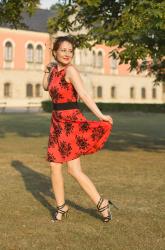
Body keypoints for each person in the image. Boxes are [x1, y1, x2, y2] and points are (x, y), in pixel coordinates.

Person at [42, 36, 118, 223]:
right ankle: (61, 207)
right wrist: (46, 70)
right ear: (55, 52)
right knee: (54, 166)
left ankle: (101, 203)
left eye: (70, 51)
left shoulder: (71, 71)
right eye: (63, 50)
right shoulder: (53, 71)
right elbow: (46, 87)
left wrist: (100, 116)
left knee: (73, 170)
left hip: (70, 122)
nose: (67, 54)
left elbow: (83, 94)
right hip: (56, 123)